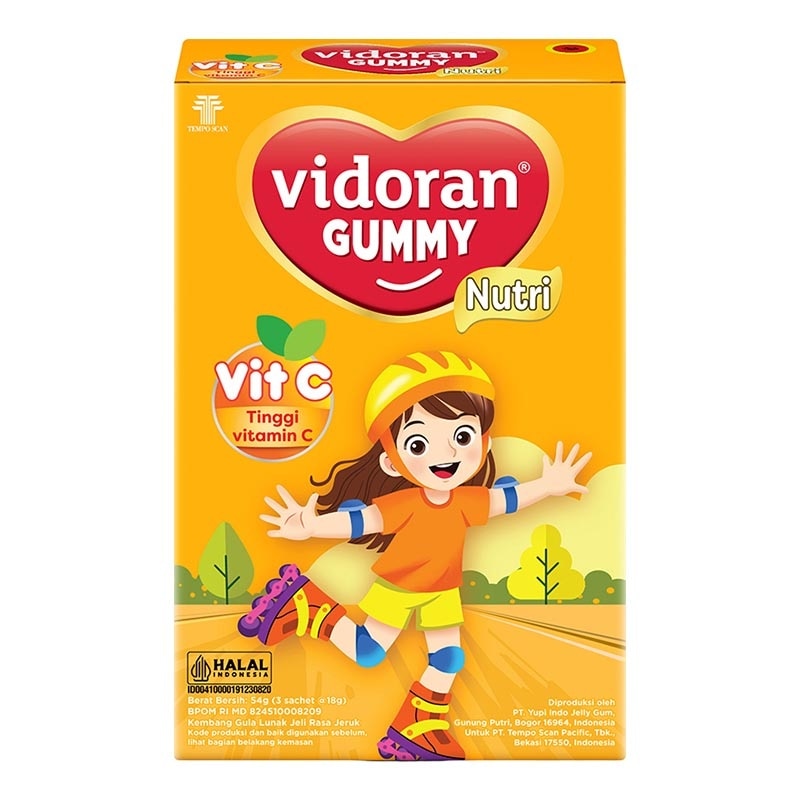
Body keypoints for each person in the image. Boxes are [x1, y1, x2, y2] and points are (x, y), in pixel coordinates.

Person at [238, 350, 591, 760]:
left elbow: (505, 500)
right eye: (419, 443)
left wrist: (548, 486)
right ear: (391, 461)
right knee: (368, 652)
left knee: (449, 657)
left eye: (462, 437)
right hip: (402, 587)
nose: (446, 456)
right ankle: (306, 604)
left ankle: (418, 725)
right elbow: (361, 521)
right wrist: (313, 526)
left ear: (484, 443)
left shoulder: (466, 501)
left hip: (442, 592)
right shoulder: (407, 503)